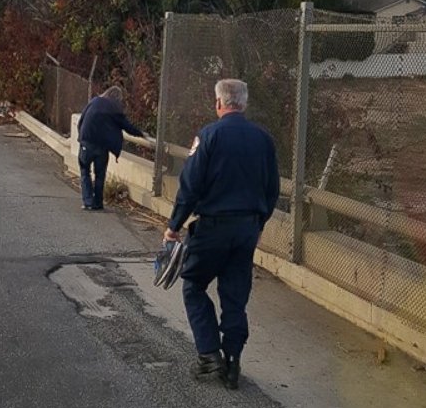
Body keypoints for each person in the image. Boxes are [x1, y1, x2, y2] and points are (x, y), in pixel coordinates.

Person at [164, 78, 280, 389]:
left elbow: (190, 186)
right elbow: (272, 191)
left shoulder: (208, 136)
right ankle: (233, 362)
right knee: (234, 296)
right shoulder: (264, 140)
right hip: (246, 230)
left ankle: (208, 354)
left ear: (218, 103)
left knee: (193, 285)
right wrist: (259, 225)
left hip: (213, 227)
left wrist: (174, 225)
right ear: (243, 104)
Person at [77, 85, 147, 210]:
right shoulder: (115, 108)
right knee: (100, 175)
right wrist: (141, 133)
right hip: (102, 147)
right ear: (118, 99)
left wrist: (81, 138)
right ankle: (98, 203)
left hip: (87, 142)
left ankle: (88, 201)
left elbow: (81, 120)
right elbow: (127, 126)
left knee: (85, 172)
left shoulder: (94, 101)